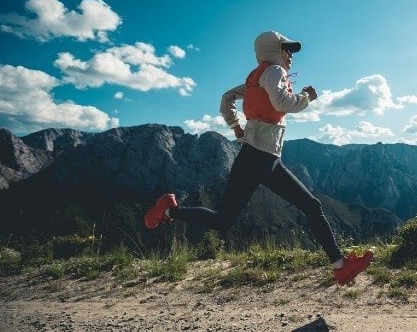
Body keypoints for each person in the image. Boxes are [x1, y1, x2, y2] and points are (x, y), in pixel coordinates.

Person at [144, 31, 373, 286]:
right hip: (259, 159)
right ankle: (340, 266)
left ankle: (167, 210)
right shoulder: (274, 72)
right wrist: (307, 98)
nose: (291, 57)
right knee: (307, 207)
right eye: (287, 50)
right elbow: (281, 102)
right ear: (274, 50)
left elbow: (226, 99)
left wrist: (236, 127)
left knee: (229, 219)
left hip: (262, 158)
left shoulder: (256, 76)